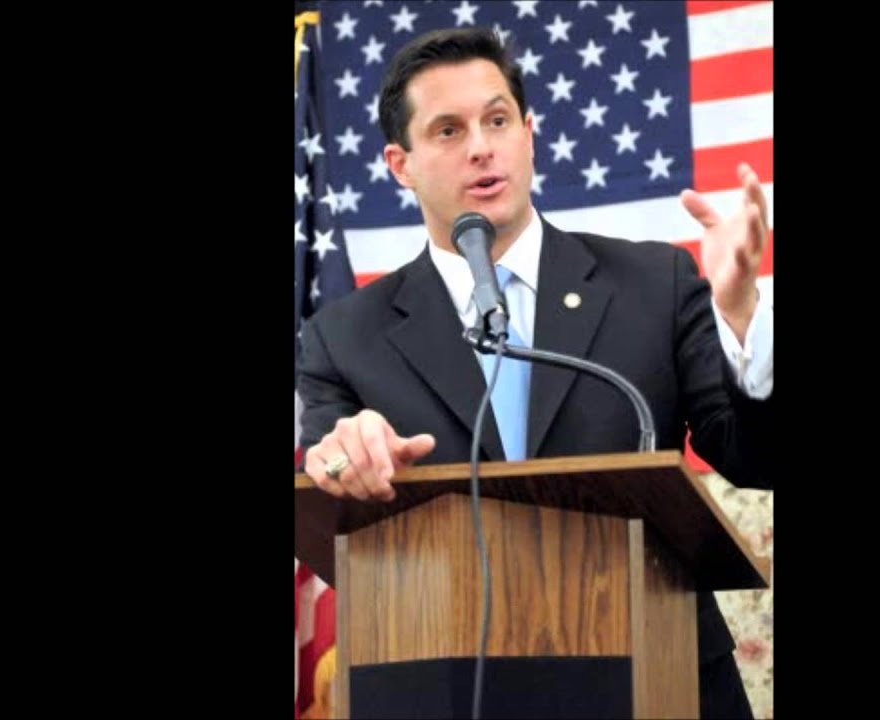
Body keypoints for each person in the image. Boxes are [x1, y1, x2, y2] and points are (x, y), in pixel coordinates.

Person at [297, 27, 773, 719]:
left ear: (528, 133)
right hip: (445, 687)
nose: (481, 147)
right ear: (401, 164)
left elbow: (757, 458)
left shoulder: (655, 283)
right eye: (448, 130)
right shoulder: (345, 337)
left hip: (661, 675)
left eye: (497, 121)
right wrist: (343, 460)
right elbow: (331, 472)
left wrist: (742, 316)